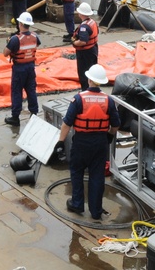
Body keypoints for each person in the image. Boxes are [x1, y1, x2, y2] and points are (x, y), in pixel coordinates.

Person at [58, 64, 120, 221]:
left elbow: (67, 123)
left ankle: (77, 204)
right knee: (97, 176)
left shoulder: (79, 99)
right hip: (100, 143)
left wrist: (60, 141)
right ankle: (96, 210)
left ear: (89, 79)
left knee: (77, 171)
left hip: (81, 142)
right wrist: (110, 136)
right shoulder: (109, 101)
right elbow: (116, 124)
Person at [3, 12, 41, 127]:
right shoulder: (35, 36)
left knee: (16, 92)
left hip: (19, 69)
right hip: (30, 67)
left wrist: (9, 42)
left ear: (20, 24)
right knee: (31, 90)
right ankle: (34, 113)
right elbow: (35, 45)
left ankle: (15, 117)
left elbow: (5, 53)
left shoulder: (15, 39)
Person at [71, 2, 99, 90]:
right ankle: (93, 88)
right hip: (93, 49)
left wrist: (75, 43)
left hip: (85, 53)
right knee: (92, 70)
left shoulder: (84, 27)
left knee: (84, 73)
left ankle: (86, 90)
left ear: (81, 14)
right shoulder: (92, 22)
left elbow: (83, 41)